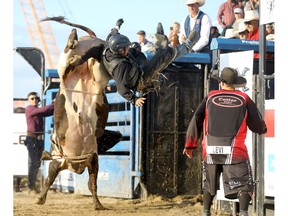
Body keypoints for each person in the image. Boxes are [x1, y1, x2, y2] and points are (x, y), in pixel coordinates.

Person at [183, 67, 267, 216]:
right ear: (235, 84)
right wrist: (262, 129)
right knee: (244, 185)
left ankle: (206, 212)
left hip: (210, 149)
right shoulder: (244, 98)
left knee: (209, 185)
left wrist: (190, 144)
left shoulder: (210, 96)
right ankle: (243, 213)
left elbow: (196, 118)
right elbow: (257, 125)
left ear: (221, 83)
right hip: (234, 150)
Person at [68, 19, 198, 107]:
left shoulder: (109, 45)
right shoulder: (121, 66)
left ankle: (157, 49)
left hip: (135, 68)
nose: (127, 48)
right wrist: (134, 99)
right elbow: (121, 88)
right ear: (118, 50)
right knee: (163, 55)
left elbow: (113, 33)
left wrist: (117, 24)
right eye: (125, 48)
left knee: (136, 47)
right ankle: (186, 45)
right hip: (141, 79)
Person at [25, 91, 54, 194]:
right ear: (28, 100)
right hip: (32, 139)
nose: (35, 100)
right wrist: (53, 103)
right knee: (34, 163)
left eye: (36, 98)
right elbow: (45, 109)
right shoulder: (29, 109)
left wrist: (56, 105)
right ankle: (31, 187)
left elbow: (47, 111)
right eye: (32, 98)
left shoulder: (37, 111)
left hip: (38, 140)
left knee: (37, 163)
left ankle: (32, 186)